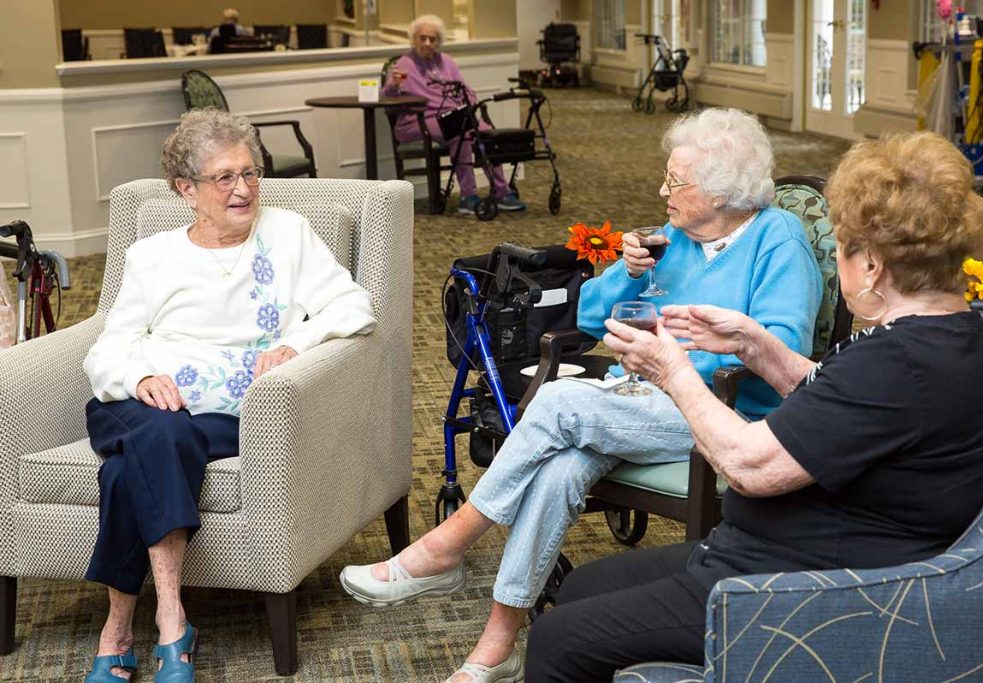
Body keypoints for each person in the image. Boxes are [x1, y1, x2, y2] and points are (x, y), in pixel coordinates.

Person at [340, 108, 823, 683]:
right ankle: (496, 646)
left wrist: (677, 364)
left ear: (723, 194)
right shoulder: (673, 239)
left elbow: (780, 356)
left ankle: (447, 546)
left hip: (724, 413)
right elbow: (591, 316)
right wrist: (627, 271)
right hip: (641, 399)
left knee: (561, 404)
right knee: (561, 466)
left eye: (676, 182)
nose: (661, 191)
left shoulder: (778, 241)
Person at [523, 131, 983, 680]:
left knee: (556, 637)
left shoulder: (897, 363)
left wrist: (673, 370)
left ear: (874, 266)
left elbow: (749, 466)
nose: (836, 254)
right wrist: (756, 346)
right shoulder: (964, 339)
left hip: (794, 591)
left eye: (842, 245)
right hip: (782, 554)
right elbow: (847, 403)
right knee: (581, 587)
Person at [82, 109, 376, 683]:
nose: (243, 190)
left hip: (228, 414)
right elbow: (107, 349)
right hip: (136, 404)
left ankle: (121, 630)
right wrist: (139, 379)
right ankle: (171, 621)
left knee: (130, 468)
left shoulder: (288, 234)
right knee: (158, 428)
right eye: (224, 178)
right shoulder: (152, 257)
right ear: (185, 189)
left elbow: (354, 307)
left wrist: (296, 342)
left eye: (250, 173)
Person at [382, 14, 527, 214]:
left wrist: (469, 103)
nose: (427, 43)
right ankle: (468, 196)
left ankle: (501, 191)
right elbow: (386, 97)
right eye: (422, 38)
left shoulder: (447, 62)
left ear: (438, 42)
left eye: (432, 39)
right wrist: (394, 85)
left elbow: (466, 90)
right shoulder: (404, 64)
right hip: (417, 121)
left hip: (452, 116)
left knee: (486, 132)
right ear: (414, 40)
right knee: (460, 132)